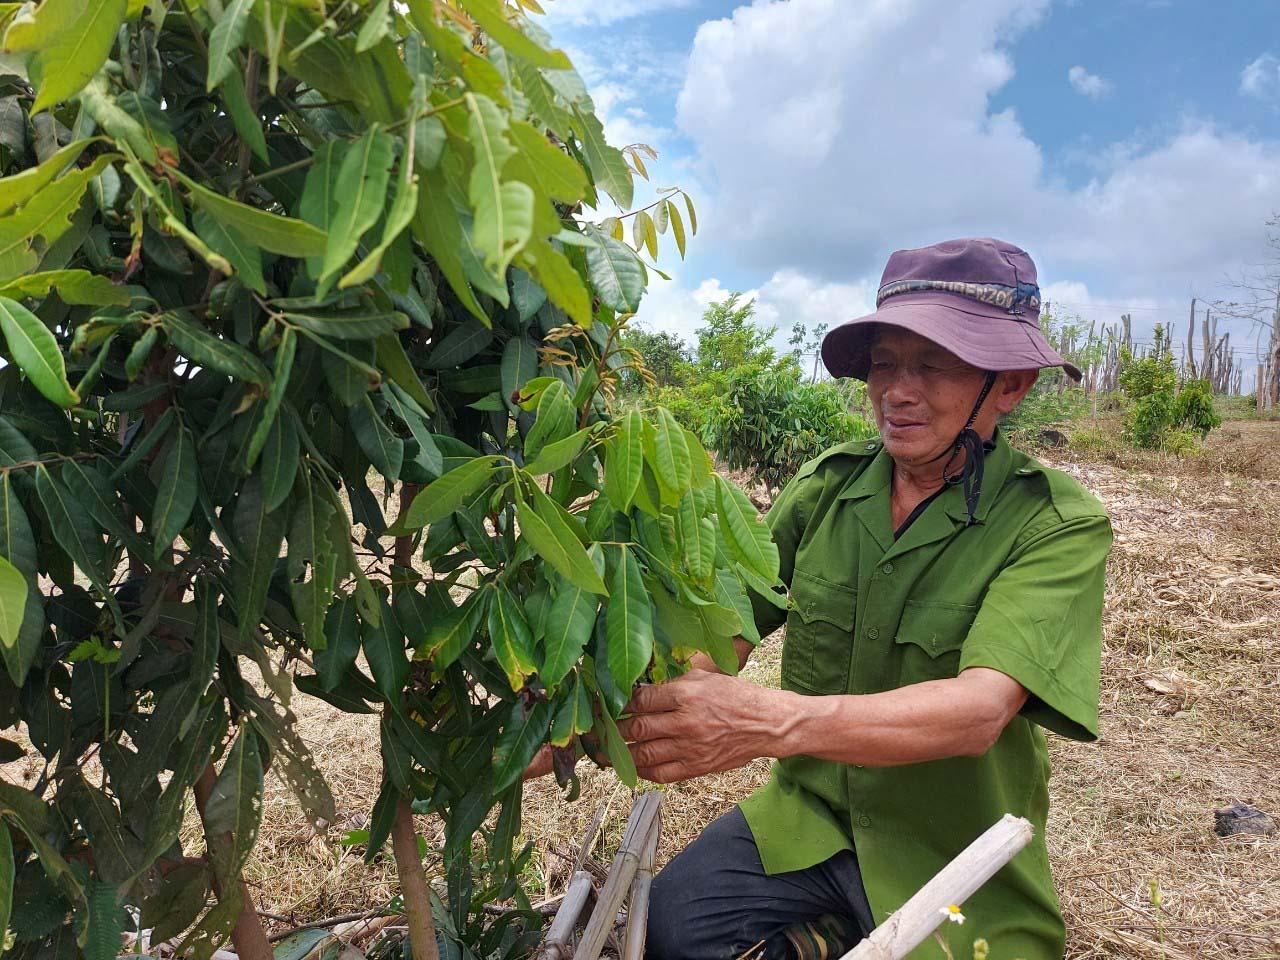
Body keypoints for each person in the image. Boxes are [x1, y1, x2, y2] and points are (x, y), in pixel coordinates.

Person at [628, 238, 1113, 960]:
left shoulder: (1055, 524)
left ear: (1010, 385)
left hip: (952, 844)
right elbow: (724, 632)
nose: (898, 390)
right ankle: (832, 929)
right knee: (673, 928)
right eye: (885, 363)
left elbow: (981, 710)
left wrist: (771, 721)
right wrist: (628, 712)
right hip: (811, 816)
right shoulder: (827, 487)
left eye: (935, 364)